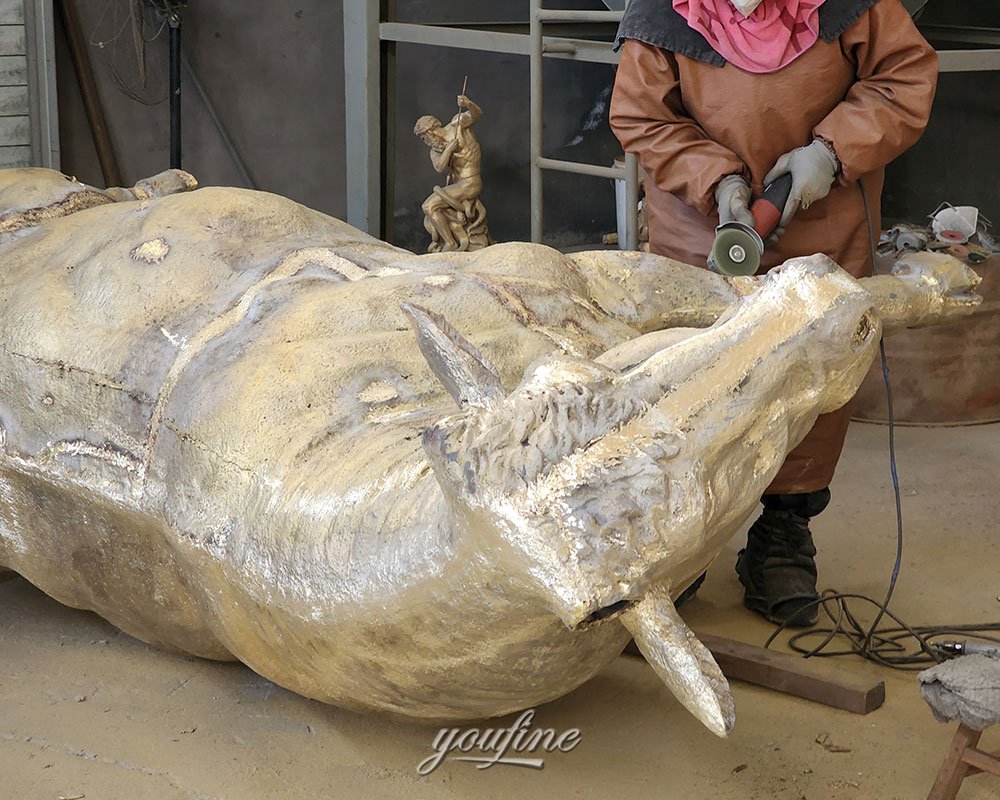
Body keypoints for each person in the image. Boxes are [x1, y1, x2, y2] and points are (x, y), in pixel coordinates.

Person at [610, 0, 938, 626]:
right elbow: (641, 113)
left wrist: (832, 151)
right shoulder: (663, 12)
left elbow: (903, 80)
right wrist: (717, 180)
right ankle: (685, 542)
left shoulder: (857, 6)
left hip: (823, 210)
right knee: (690, 378)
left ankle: (783, 538)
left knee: (811, 372)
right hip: (702, 224)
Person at [414, 94, 491, 253]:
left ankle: (451, 244)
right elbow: (440, 167)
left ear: (430, 131)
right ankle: (449, 241)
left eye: (423, 138)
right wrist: (448, 149)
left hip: (471, 183)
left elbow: (477, 115)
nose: (425, 142)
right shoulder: (435, 152)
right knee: (430, 208)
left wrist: (468, 103)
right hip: (459, 186)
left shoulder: (457, 125)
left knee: (428, 206)